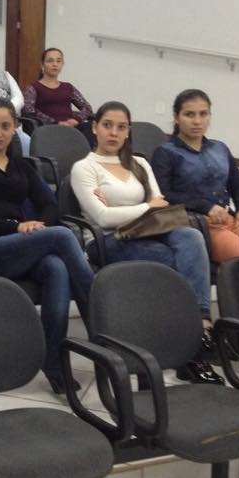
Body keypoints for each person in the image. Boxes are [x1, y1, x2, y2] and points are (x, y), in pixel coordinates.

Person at [0, 98, 94, 394]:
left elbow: (49, 205)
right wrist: (15, 227)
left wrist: (37, 225)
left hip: (20, 245)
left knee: (56, 267)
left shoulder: (21, 165)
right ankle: (103, 324)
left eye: (5, 126)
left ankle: (54, 361)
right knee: (63, 236)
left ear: (15, 127)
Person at [72, 100, 221, 384]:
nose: (114, 133)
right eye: (107, 125)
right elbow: (103, 217)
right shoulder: (84, 168)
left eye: (121, 127)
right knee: (170, 260)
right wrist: (145, 207)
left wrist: (136, 209)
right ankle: (190, 349)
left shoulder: (139, 163)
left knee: (190, 236)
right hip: (107, 240)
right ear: (94, 128)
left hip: (148, 231)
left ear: (128, 131)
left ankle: (201, 323)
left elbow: (160, 206)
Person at [152, 88, 239, 263]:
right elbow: (164, 195)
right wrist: (205, 206)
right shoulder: (165, 152)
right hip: (199, 225)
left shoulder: (219, 148)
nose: (197, 121)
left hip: (230, 219)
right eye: (189, 114)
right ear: (177, 117)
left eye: (203, 114)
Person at [22, 48, 93, 140]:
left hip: (71, 128)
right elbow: (29, 111)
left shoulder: (68, 87)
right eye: (50, 61)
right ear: (42, 64)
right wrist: (56, 123)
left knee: (92, 127)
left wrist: (76, 120)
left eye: (58, 61)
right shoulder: (34, 87)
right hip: (48, 129)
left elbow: (87, 108)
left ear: (62, 64)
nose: (55, 64)